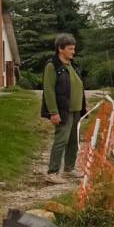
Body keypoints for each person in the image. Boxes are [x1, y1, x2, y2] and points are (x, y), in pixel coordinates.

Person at [41, 33, 87, 184]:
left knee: (74, 140)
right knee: (61, 140)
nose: (73, 52)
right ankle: (52, 172)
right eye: (70, 49)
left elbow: (78, 86)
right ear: (60, 49)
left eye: (74, 49)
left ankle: (69, 169)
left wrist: (83, 107)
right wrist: (53, 112)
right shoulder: (52, 66)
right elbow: (48, 91)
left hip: (76, 111)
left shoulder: (72, 65)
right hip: (63, 111)